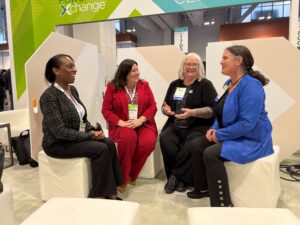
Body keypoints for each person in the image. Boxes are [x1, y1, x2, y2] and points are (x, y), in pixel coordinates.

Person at [188, 45, 273, 207]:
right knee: (196, 144)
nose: (220, 61)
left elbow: (247, 123)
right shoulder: (229, 84)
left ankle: (223, 203)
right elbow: (218, 110)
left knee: (211, 153)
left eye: (225, 58)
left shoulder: (251, 86)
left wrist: (219, 135)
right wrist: (214, 128)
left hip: (252, 139)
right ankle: (204, 188)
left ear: (238, 61)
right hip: (235, 134)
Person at [40, 54, 123, 199]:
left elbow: (81, 120)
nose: (75, 70)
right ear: (56, 71)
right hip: (57, 144)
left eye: (74, 66)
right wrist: (89, 136)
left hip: (73, 138)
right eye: (69, 66)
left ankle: (111, 189)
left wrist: (93, 130)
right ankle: (99, 195)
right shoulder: (49, 97)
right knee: (100, 149)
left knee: (108, 142)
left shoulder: (73, 90)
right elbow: (59, 132)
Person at [160, 53, 217, 194]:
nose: (191, 67)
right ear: (183, 67)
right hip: (175, 124)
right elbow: (165, 105)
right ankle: (181, 179)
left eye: (195, 64)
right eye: (188, 64)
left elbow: (212, 109)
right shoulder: (175, 84)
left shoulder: (205, 84)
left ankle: (176, 177)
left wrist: (193, 112)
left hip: (197, 125)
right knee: (165, 139)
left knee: (191, 144)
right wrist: (165, 110)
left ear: (200, 67)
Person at [102, 59, 157, 192]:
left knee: (148, 143)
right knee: (128, 139)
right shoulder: (112, 87)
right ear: (125, 73)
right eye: (134, 70)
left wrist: (141, 120)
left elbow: (152, 106)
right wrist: (120, 122)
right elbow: (106, 110)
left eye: (137, 69)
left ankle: (132, 174)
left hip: (142, 123)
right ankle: (122, 179)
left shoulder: (144, 85)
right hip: (122, 125)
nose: (137, 73)